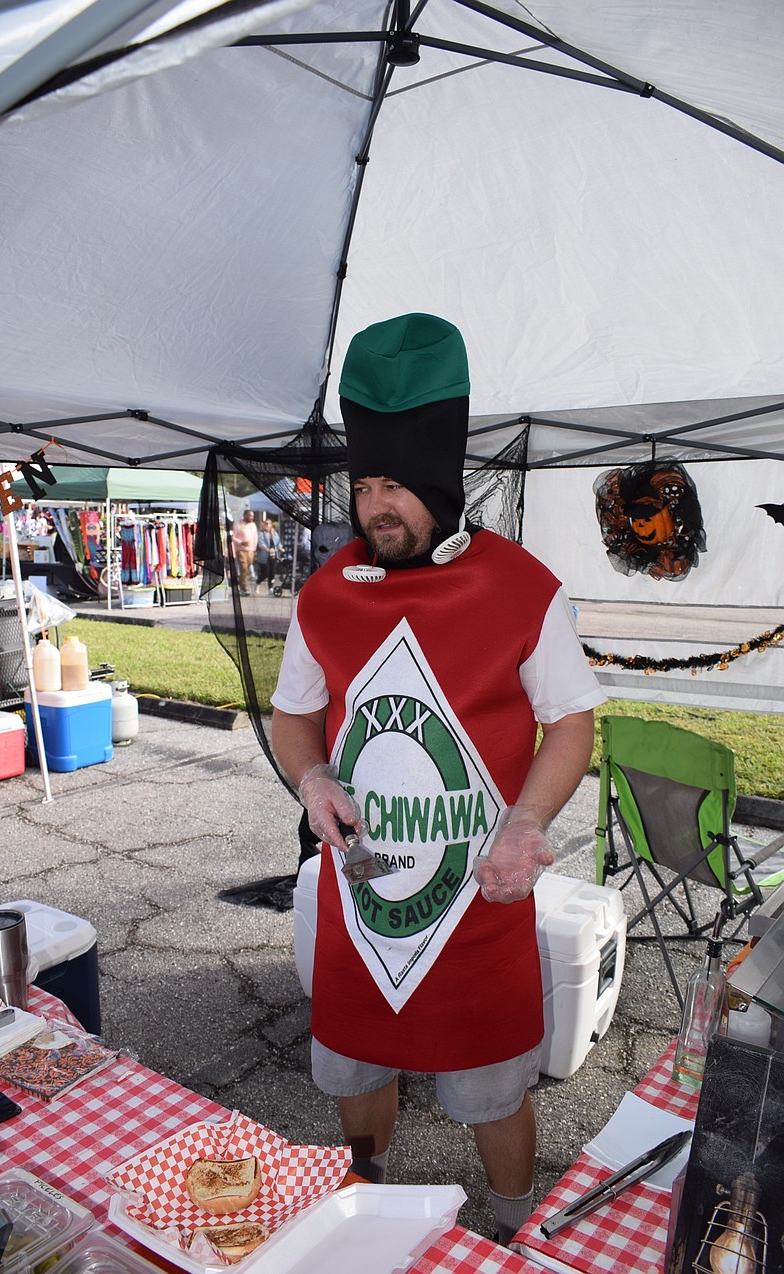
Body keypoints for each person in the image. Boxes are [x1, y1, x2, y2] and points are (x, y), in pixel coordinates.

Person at [270, 313, 605, 1244]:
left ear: (443, 487)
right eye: (365, 486)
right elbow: (293, 715)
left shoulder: (522, 587)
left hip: (479, 900)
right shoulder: (325, 593)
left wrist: (525, 825)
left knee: (493, 1091)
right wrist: (312, 780)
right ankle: (364, 1210)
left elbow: (571, 721)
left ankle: (514, 1231)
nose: (377, 507)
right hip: (363, 903)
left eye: (398, 487)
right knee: (354, 1070)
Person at [230, 508, 257, 595]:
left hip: (250, 550)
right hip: (241, 550)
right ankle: (243, 587)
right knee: (244, 568)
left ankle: (241, 583)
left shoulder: (253, 525)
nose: (251, 517)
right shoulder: (238, 524)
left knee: (246, 570)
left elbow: (255, 537)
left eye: (252, 516)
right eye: (250, 516)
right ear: (245, 516)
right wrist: (241, 542)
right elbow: (233, 537)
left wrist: (254, 549)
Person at [255, 518, 281, 593]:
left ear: (271, 525)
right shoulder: (261, 534)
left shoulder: (275, 534)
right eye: (265, 523)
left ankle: (270, 588)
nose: (266, 525)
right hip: (264, 556)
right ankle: (257, 583)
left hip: (273, 556)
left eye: (267, 523)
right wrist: (267, 549)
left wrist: (281, 548)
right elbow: (261, 544)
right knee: (265, 573)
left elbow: (278, 543)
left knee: (272, 572)